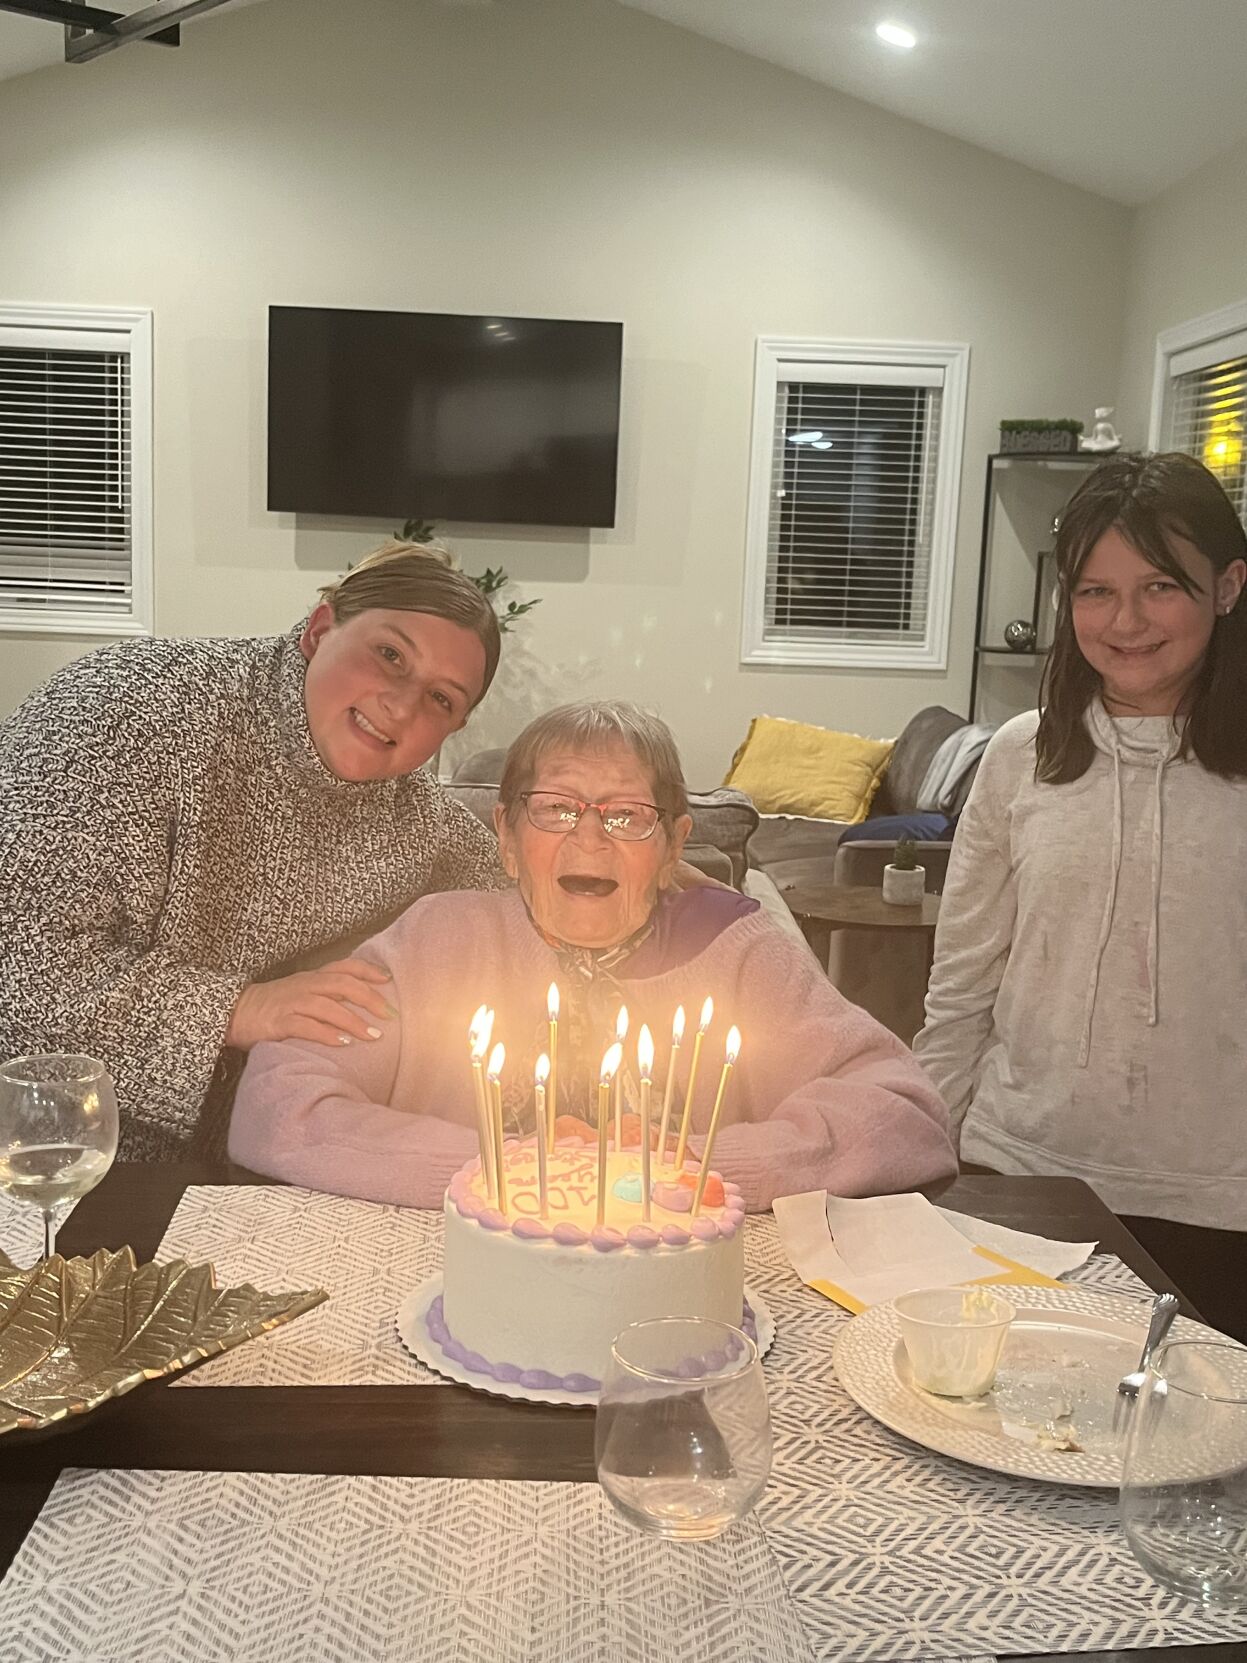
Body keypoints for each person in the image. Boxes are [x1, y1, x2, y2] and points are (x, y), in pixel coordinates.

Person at [229, 700, 955, 1210]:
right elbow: (279, 1106)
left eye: (625, 816)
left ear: (673, 847)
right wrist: (511, 1172)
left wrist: (687, 1172)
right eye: (556, 808)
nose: (590, 839)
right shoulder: (436, 942)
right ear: (506, 840)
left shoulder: (739, 950)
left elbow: (903, 1115)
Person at [0, 542, 506, 1161]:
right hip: (43, 1150)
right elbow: (22, 964)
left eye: (441, 699)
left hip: (251, 1158)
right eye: (390, 655)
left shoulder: (415, 813)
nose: (402, 704)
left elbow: (519, 895)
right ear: (322, 630)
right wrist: (239, 1009)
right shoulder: (124, 708)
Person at [914, 451, 1247, 1338]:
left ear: (1226, 587)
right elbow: (961, 986)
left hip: (1219, 1203)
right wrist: (921, 1148)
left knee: (1189, 1465)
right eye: (1093, 592)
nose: (1124, 620)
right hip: (1018, 1171)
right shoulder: (1021, 754)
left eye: (1159, 587)